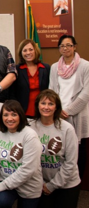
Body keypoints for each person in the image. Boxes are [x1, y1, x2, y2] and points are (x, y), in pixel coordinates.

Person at [30, 89, 80, 208]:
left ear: (56, 107)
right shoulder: (30, 127)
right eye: (43, 103)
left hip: (67, 184)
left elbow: (71, 162)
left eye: (51, 104)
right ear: (37, 106)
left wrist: (52, 185)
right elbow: (29, 160)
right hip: (41, 185)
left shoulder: (67, 129)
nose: (46, 107)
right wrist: (42, 184)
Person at [49, 34, 89, 179]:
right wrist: (57, 110)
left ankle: (76, 182)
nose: (65, 48)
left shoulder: (85, 66)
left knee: (78, 148)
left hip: (76, 113)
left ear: (74, 47)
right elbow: (51, 90)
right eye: (62, 46)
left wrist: (69, 111)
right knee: (61, 148)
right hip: (58, 113)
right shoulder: (55, 67)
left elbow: (86, 93)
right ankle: (61, 179)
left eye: (68, 45)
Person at [0, 100, 42, 208]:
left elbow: (28, 169)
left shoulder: (30, 136)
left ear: (20, 115)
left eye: (14, 115)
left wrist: (3, 185)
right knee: (1, 201)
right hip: (6, 179)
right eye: (5, 115)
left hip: (28, 185)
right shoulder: (0, 133)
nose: (9, 119)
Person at [13, 39, 50, 117]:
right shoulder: (16, 70)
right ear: (21, 53)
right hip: (23, 112)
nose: (28, 53)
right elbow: (12, 93)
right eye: (25, 50)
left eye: (30, 49)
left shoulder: (46, 68)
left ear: (35, 51)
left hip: (43, 111)